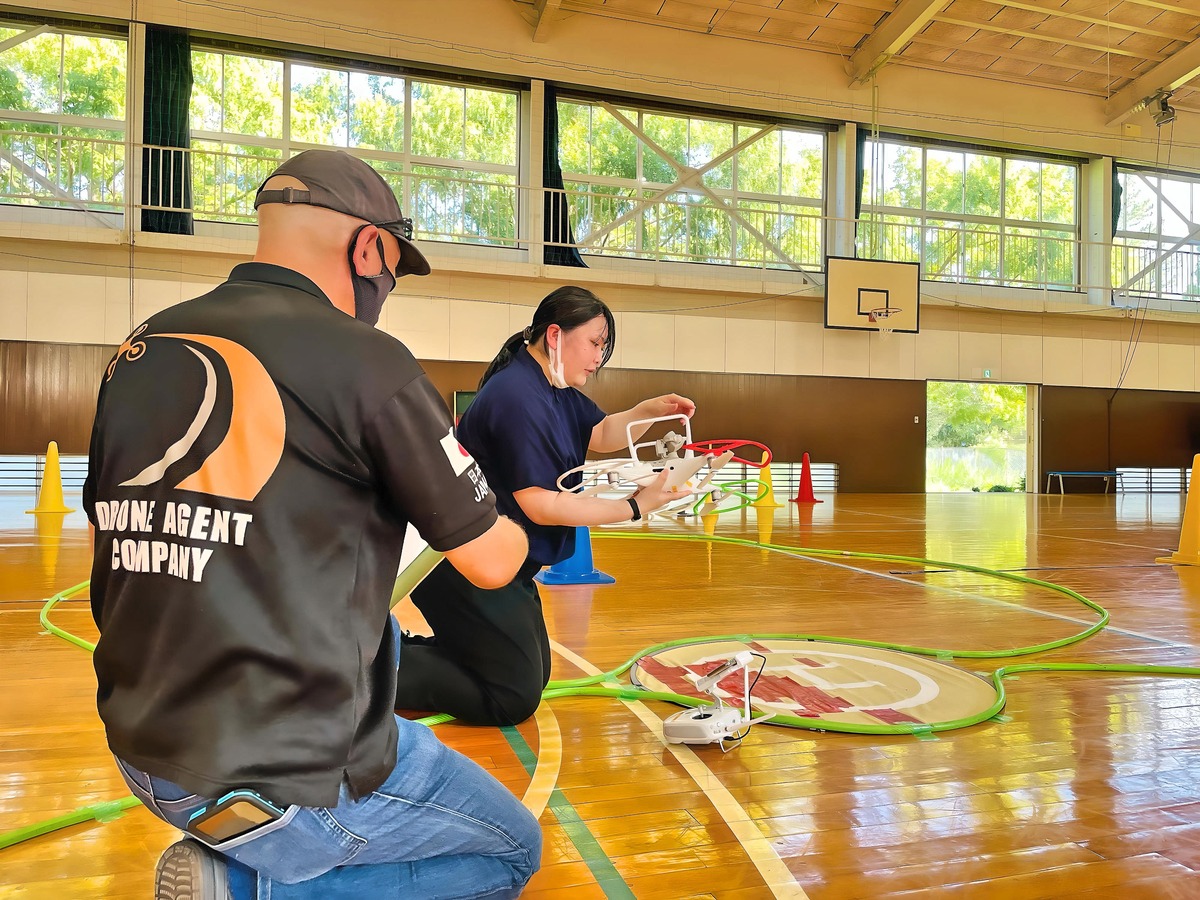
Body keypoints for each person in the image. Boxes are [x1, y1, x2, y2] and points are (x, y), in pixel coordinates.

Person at [83, 149, 541, 900]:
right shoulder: (367, 361)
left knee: (382, 658)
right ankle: (254, 892)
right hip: (286, 777)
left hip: (146, 749)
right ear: (371, 249)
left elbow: (124, 540)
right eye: (391, 268)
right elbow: (492, 562)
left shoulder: (142, 349)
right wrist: (517, 515)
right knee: (510, 850)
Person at [394, 286, 695, 726]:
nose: (599, 356)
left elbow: (600, 433)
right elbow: (540, 505)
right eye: (595, 343)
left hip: (497, 559)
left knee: (532, 675)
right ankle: (368, 673)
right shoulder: (519, 396)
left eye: (603, 346)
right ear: (555, 335)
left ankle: (391, 649)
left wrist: (643, 412)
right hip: (457, 562)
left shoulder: (553, 388)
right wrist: (633, 507)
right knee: (510, 697)